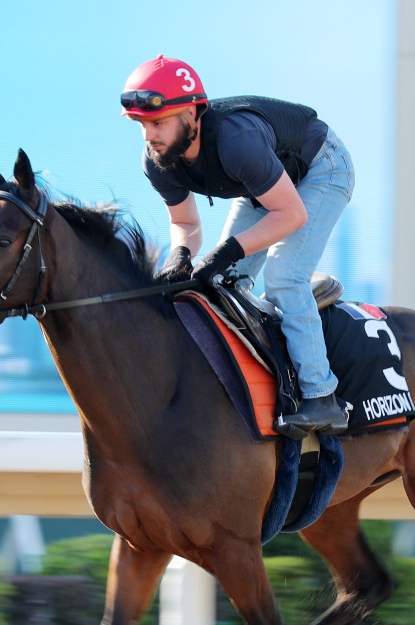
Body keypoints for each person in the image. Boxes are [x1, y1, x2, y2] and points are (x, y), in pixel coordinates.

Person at [120, 55, 354, 435]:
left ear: (193, 115)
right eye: (142, 126)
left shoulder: (236, 141)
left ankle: (321, 397)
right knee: (221, 280)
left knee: (284, 274)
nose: (150, 136)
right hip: (262, 185)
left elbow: (292, 214)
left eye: (158, 123)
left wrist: (228, 250)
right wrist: (182, 254)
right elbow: (184, 222)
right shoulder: (157, 159)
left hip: (321, 169)